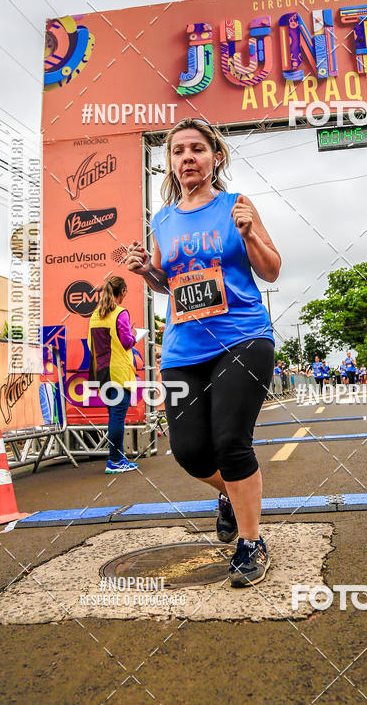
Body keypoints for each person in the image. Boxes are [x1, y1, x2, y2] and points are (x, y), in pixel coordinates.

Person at [127, 117, 280, 587]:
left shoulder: (237, 205)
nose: (187, 158)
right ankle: (231, 496)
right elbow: (166, 285)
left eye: (197, 149)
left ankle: (251, 543)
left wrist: (250, 233)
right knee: (191, 452)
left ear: (216, 158)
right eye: (178, 152)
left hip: (242, 337)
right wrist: (146, 271)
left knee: (231, 442)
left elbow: (271, 270)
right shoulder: (163, 219)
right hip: (182, 349)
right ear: (170, 163)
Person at [87, 275, 139, 473]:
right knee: (117, 417)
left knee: (113, 416)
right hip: (118, 372)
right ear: (123, 291)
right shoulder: (120, 313)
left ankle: (117, 457)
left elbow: (90, 344)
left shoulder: (95, 315)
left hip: (101, 371)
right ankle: (115, 460)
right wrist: (134, 337)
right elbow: (127, 342)